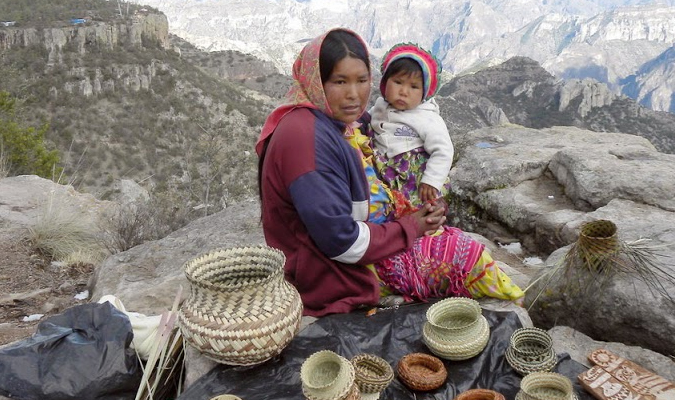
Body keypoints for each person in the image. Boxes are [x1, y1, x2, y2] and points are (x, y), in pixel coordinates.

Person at [256, 28, 523, 317]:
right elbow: (342, 242)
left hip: (365, 239)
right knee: (468, 257)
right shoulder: (304, 140)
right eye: (339, 81)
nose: (354, 95)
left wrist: (420, 204)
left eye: (361, 80)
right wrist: (411, 228)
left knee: (450, 238)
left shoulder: (339, 122)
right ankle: (516, 313)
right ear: (315, 81)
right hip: (331, 270)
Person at [369, 43, 453, 207]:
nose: (404, 92)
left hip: (416, 181)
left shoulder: (427, 118)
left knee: (423, 207)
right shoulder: (379, 108)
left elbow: (443, 150)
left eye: (414, 87)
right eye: (398, 82)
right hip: (386, 175)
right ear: (385, 83)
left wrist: (431, 180)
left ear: (424, 92)